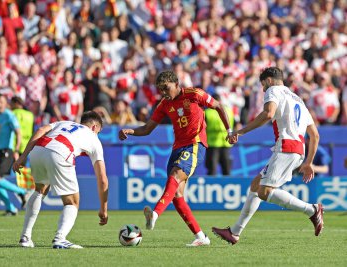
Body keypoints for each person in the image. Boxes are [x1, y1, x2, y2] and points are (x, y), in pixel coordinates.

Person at [119, 70, 233, 246]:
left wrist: (229, 130)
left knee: (175, 175)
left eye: (166, 88)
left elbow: (218, 106)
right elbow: (148, 128)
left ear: (176, 84)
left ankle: (154, 214)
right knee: (177, 195)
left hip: (195, 144)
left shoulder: (194, 94)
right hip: (177, 148)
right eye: (161, 89)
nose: (164, 92)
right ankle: (201, 237)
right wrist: (131, 131)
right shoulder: (164, 104)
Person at [212, 67, 324, 245]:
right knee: (256, 185)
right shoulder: (298, 99)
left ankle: (311, 210)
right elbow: (315, 135)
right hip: (297, 149)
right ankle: (234, 232)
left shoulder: (273, 91)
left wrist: (240, 131)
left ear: (269, 81)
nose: (263, 89)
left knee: (264, 192)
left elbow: (268, 114)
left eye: (263, 84)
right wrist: (309, 162)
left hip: (286, 147)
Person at [13, 111, 109, 249]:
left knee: (40, 190)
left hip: (39, 149)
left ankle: (25, 237)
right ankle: (60, 238)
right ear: (94, 127)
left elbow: (40, 130)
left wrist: (23, 157)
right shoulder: (94, 139)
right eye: (98, 132)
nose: (97, 135)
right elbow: (103, 179)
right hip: (60, 151)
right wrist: (103, 209)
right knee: (72, 202)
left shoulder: (65, 123)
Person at [205, 94, 235, 175]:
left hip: (213, 145)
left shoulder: (207, 112)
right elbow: (235, 124)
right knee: (226, 171)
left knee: (212, 171)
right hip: (223, 144)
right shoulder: (228, 110)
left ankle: (211, 186)